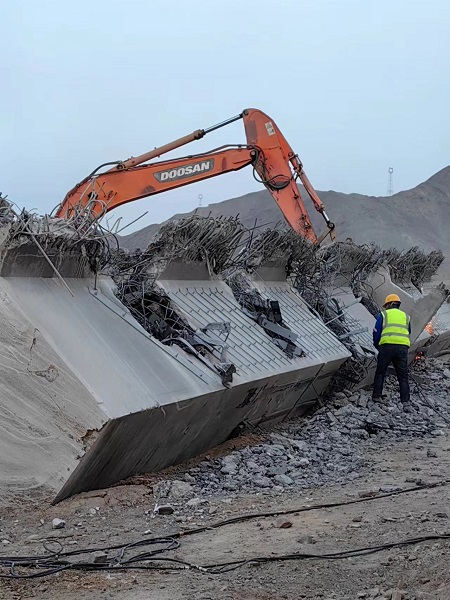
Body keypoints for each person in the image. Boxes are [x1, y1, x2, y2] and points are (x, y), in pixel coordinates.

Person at [372, 293, 412, 410]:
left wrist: (378, 346)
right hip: (402, 348)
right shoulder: (406, 317)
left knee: (380, 372)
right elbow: (408, 332)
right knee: (403, 376)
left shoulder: (384, 315)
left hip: (386, 346)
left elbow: (376, 332)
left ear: (389, 304)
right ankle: (405, 400)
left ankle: (376, 396)